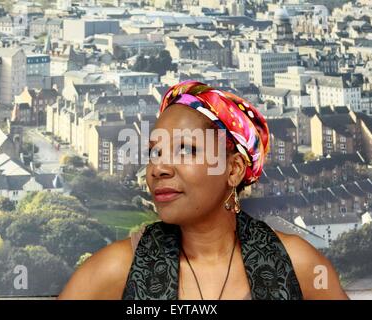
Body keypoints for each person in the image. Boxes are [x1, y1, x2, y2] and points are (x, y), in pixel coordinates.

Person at [58, 80, 349, 300]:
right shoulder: (117, 270)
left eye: (185, 150)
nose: (158, 168)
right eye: (154, 152)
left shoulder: (298, 265)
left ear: (233, 170)